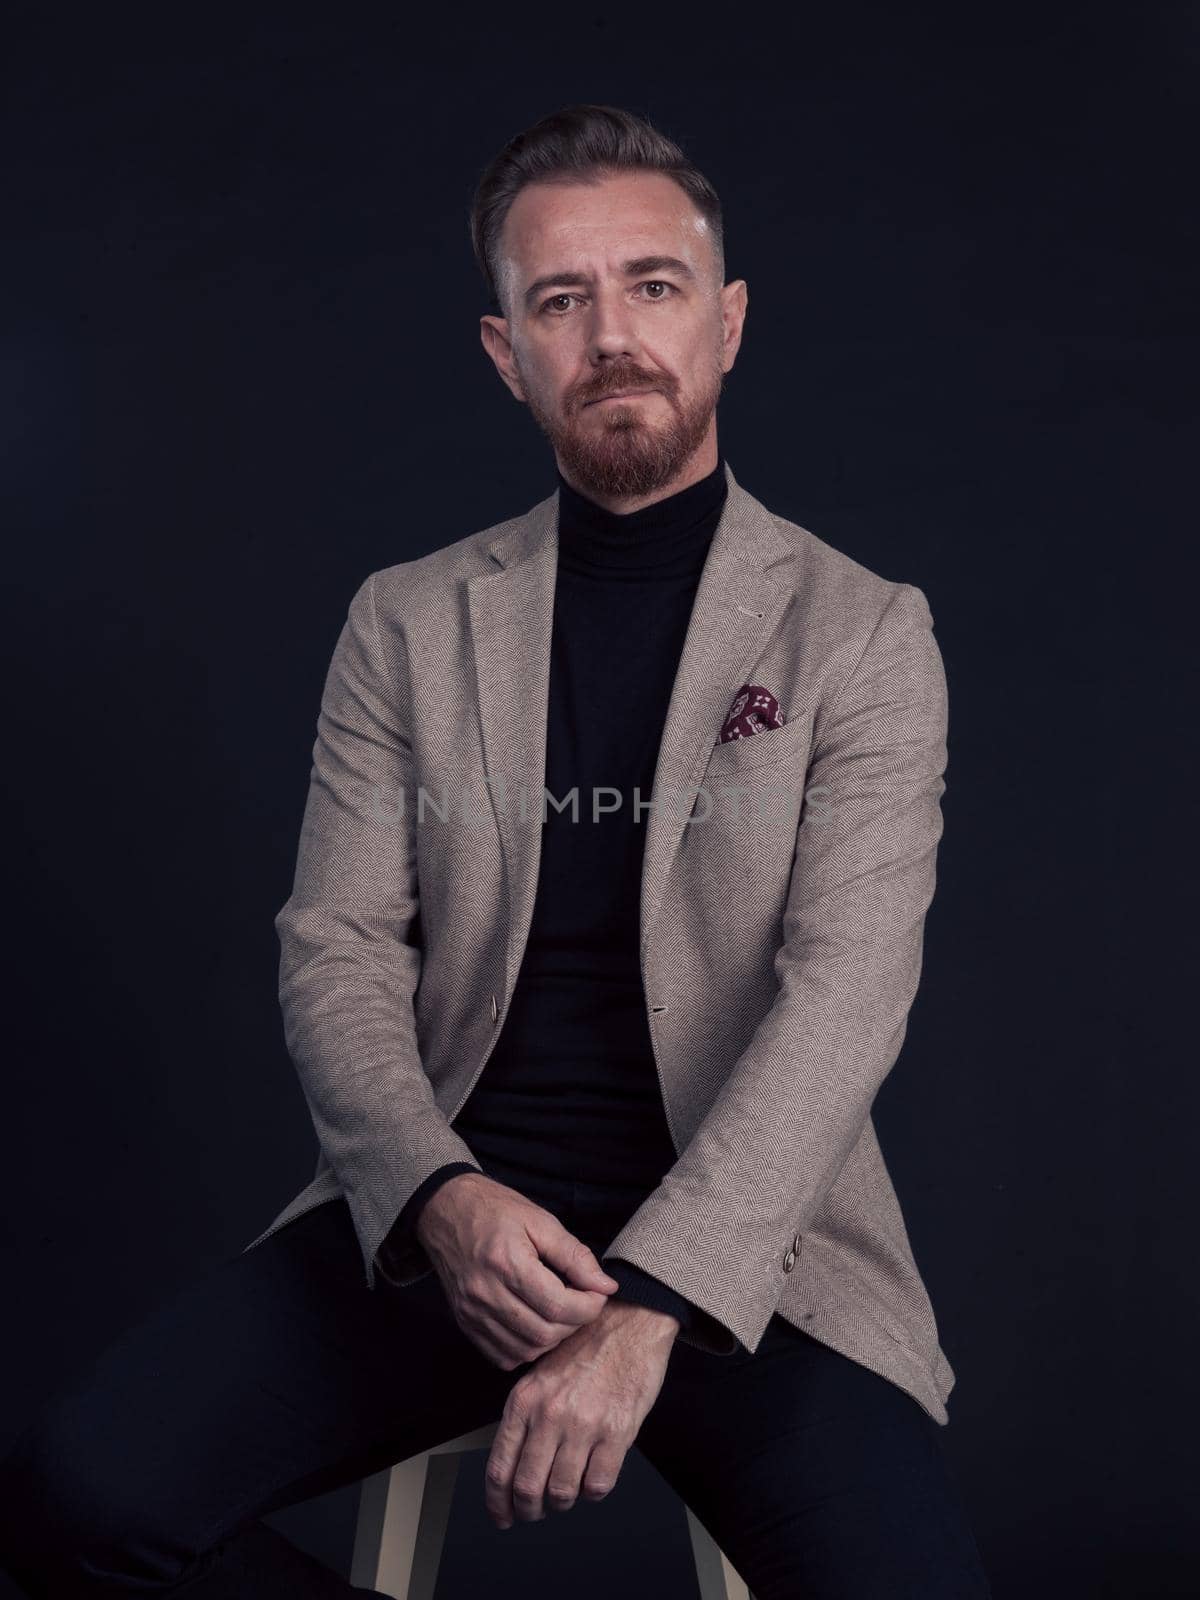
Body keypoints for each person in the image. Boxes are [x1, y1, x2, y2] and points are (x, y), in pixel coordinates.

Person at [0, 102, 991, 1597]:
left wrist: (652, 1304)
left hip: (746, 1258)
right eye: (559, 300)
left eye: (653, 286)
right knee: (69, 1502)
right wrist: (439, 1202)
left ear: (726, 323)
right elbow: (333, 950)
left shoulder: (861, 629)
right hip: (444, 1225)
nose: (611, 336)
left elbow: (846, 995)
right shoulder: (404, 622)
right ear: (503, 350)